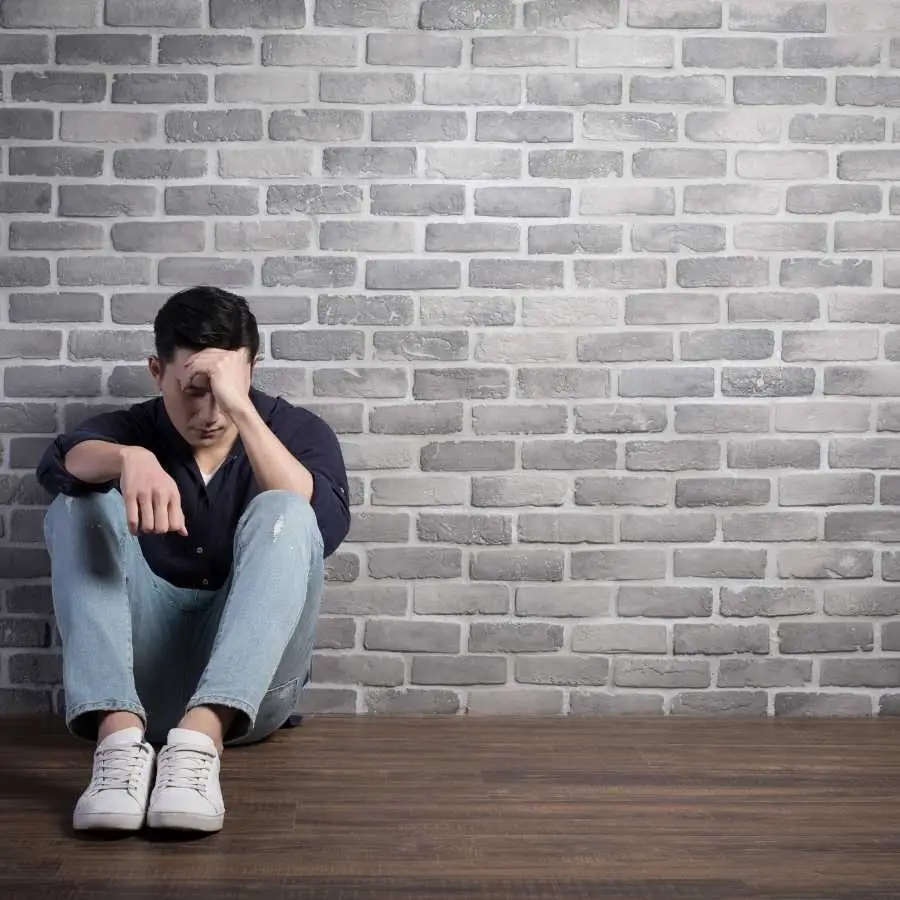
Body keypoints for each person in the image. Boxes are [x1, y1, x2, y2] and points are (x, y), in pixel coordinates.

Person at [36, 286, 350, 834]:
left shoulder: (298, 431)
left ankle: (199, 744)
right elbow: (60, 462)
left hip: (248, 703)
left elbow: (322, 526)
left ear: (252, 369)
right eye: (192, 391)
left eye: (222, 390)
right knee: (77, 501)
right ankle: (116, 748)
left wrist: (242, 409)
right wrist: (128, 459)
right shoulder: (134, 429)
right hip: (137, 688)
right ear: (157, 372)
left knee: (288, 508)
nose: (208, 414)